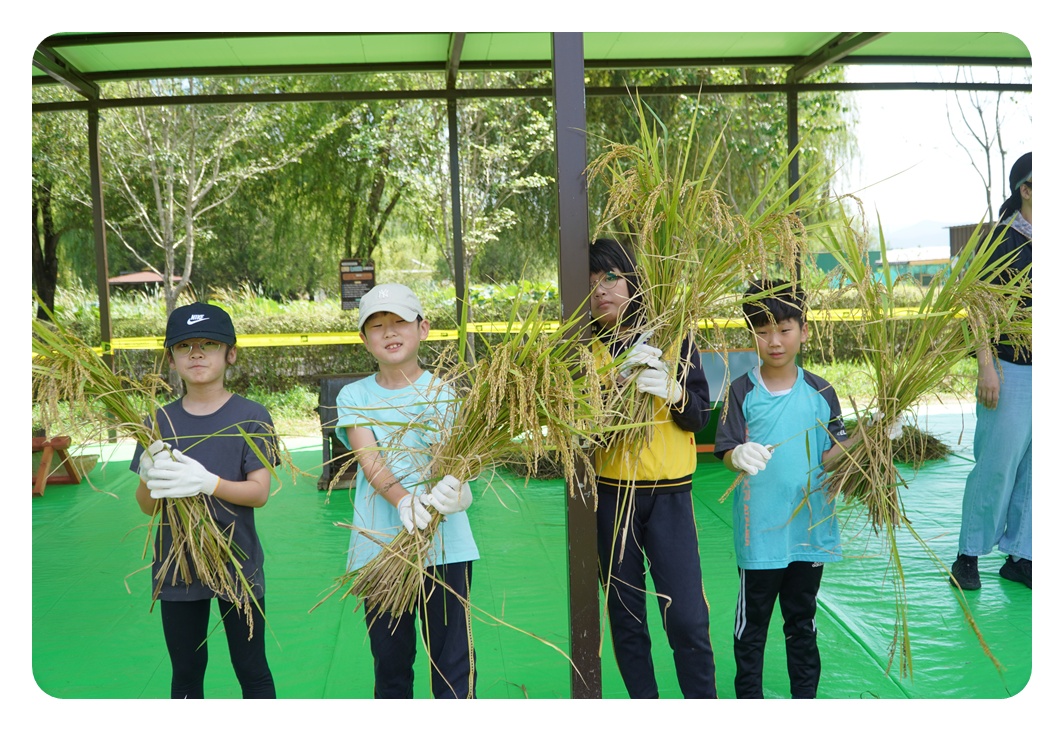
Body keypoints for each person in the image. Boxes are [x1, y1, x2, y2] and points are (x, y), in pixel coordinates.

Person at [713, 280, 874, 699]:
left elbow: (830, 456)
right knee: (753, 626)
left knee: (802, 622)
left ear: (803, 330)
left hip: (809, 529)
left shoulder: (821, 390)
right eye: (763, 331)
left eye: (784, 329)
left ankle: (806, 701)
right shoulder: (742, 391)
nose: (774, 341)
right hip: (760, 534)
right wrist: (738, 455)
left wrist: (870, 436)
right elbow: (727, 450)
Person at [334, 282, 479, 699]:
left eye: (399, 321)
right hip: (381, 548)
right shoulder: (354, 396)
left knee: (453, 668)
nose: (389, 331)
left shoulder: (443, 393)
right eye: (376, 325)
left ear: (423, 328)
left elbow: (448, 461)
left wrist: (456, 490)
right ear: (364, 338)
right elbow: (371, 460)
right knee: (392, 667)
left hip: (446, 548)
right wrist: (404, 501)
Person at [588, 237, 718, 699]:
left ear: (634, 283)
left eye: (610, 278)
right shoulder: (582, 352)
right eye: (590, 283)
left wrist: (674, 391)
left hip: (671, 497)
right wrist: (614, 392)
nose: (600, 290)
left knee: (687, 616)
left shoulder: (674, 337)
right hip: (612, 499)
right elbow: (580, 434)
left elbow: (699, 415)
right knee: (625, 616)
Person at [131, 302, 279, 699]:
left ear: (230, 353)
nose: (196, 353)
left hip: (238, 562)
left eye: (209, 344)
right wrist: (149, 476)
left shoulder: (252, 415)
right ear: (171, 358)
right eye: (185, 346)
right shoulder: (157, 421)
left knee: (252, 669)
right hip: (177, 568)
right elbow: (147, 506)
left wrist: (209, 482)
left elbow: (259, 492)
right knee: (186, 673)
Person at [950, 151, 1032, 591]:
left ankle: (1023, 555)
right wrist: (986, 365)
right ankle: (968, 554)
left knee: (1039, 470)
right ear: (1025, 188)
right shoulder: (997, 241)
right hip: (1009, 368)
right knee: (997, 465)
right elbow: (975, 306)